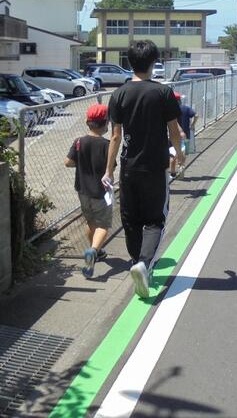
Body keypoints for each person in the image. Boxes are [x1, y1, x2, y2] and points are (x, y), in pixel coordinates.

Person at [103, 41, 184, 298]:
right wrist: (179, 153)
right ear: (153, 62)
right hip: (155, 167)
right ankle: (144, 263)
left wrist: (108, 170)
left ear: (130, 62)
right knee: (155, 219)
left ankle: (136, 261)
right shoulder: (163, 92)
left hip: (128, 168)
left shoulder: (118, 94)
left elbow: (115, 136)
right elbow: (173, 129)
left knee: (131, 219)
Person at [64, 103, 112, 278]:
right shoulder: (106, 145)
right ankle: (93, 250)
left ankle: (95, 251)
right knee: (103, 225)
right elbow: (111, 166)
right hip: (100, 192)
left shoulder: (79, 141)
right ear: (106, 123)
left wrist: (82, 163)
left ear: (87, 122)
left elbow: (68, 162)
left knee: (90, 221)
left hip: (82, 190)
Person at [170, 92, 197, 177]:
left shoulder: (170, 110)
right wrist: (192, 125)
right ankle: (181, 166)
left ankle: (173, 172)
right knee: (183, 153)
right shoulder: (186, 108)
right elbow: (196, 115)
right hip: (186, 135)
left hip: (174, 135)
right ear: (180, 100)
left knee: (173, 154)